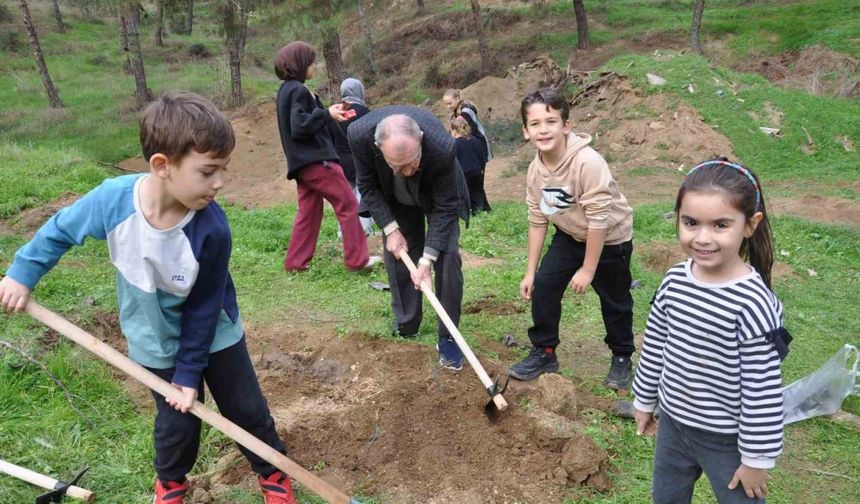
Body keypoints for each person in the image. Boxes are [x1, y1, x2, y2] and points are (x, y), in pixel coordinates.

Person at [0, 91, 297, 504]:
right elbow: (60, 230)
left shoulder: (211, 229)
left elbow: (204, 307)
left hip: (214, 333)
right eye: (208, 171)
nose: (220, 183)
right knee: (177, 424)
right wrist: (21, 273)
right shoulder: (112, 201)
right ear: (162, 165)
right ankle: (172, 484)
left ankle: (274, 476)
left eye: (222, 170)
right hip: (151, 335)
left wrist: (189, 374)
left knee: (245, 408)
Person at [633, 159, 789, 504]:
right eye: (690, 223)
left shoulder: (753, 302)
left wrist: (756, 460)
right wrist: (644, 400)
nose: (702, 238)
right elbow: (655, 344)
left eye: (720, 225)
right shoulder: (674, 280)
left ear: (750, 225)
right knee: (666, 497)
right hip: (673, 424)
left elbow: (762, 388)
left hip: (727, 439)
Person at [509, 87, 636, 390]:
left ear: (566, 126)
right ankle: (545, 351)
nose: (544, 129)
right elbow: (538, 220)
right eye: (536, 124)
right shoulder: (535, 171)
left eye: (551, 121)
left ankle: (621, 356)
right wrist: (530, 272)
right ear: (526, 131)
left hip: (610, 240)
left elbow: (598, 220)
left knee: (615, 300)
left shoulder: (587, 163)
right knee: (544, 287)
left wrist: (589, 269)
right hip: (568, 235)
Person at [348, 106, 470, 370]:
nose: (408, 171)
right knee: (400, 249)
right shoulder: (358, 136)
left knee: (447, 258)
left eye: (412, 162)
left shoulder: (443, 148)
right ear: (378, 149)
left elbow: (446, 207)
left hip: (438, 193)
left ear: (421, 139)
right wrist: (391, 229)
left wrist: (427, 261)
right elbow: (367, 185)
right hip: (393, 194)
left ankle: (449, 338)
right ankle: (407, 322)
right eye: (398, 166)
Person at [274, 41, 380, 272]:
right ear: (299, 63)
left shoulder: (285, 91)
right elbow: (300, 125)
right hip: (316, 160)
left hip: (302, 164)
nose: (315, 65)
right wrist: (326, 113)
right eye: (311, 61)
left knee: (309, 213)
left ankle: (296, 263)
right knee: (348, 202)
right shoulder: (298, 90)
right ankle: (357, 259)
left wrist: (328, 114)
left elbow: (302, 120)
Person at [329, 77, 374, 236]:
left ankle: (344, 232)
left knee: (345, 198)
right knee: (362, 195)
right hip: (360, 161)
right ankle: (364, 231)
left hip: (339, 161)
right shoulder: (364, 112)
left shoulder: (335, 111)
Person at [443, 88, 491, 213]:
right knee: (476, 183)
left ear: (457, 99)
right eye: (446, 104)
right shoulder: (457, 112)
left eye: (450, 103)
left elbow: (470, 130)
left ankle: (480, 208)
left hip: (476, 147)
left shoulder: (465, 112)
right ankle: (479, 208)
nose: (448, 106)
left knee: (475, 183)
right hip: (470, 146)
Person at [451, 116, 488, 215]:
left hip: (464, 173)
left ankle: (467, 212)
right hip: (477, 171)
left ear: (454, 131)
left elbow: (454, 161)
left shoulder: (454, 144)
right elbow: (482, 157)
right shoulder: (476, 141)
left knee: (465, 195)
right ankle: (483, 210)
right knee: (478, 192)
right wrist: (481, 169)